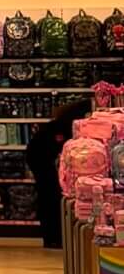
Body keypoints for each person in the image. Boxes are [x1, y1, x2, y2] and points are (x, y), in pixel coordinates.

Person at [26, 98, 91, 250]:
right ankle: (53, 238)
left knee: (51, 202)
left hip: (49, 171)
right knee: (51, 202)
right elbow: (39, 154)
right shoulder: (59, 128)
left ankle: (54, 238)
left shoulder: (58, 126)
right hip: (46, 171)